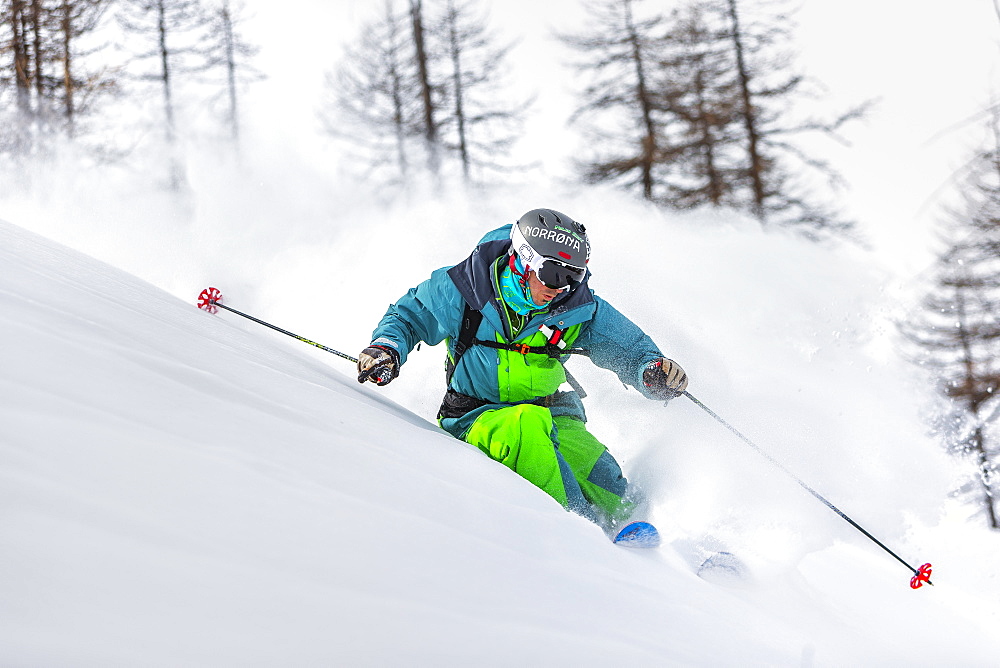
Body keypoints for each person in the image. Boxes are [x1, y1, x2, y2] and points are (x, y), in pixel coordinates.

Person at [356, 208, 689, 534]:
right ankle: (586, 537)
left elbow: (630, 348)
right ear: (522, 261)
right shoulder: (463, 289)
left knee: (599, 473)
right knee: (526, 429)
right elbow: (409, 317)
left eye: (573, 277)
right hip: (479, 416)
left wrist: (653, 372)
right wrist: (386, 348)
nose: (561, 288)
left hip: (552, 413)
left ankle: (664, 543)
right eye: (553, 274)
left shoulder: (577, 306)